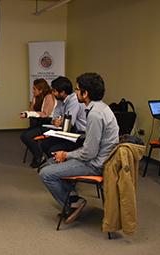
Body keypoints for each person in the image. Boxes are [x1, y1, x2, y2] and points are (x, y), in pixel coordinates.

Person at [39, 72, 119, 224]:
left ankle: (71, 205)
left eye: (77, 90)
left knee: (45, 173)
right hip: (97, 158)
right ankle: (73, 196)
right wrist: (65, 155)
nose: (75, 93)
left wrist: (66, 155)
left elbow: (89, 153)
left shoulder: (95, 114)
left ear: (85, 93)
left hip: (96, 165)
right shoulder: (101, 107)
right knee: (51, 162)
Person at [39, 76, 87, 166]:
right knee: (44, 144)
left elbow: (69, 123)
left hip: (79, 136)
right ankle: (55, 166)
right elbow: (55, 117)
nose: (52, 93)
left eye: (54, 91)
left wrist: (59, 122)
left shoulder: (74, 100)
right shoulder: (60, 100)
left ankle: (61, 169)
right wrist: (54, 122)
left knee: (53, 150)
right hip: (68, 133)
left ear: (62, 92)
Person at [20, 78, 56, 168]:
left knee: (28, 136)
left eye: (34, 89)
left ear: (41, 90)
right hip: (41, 123)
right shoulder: (36, 96)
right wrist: (26, 114)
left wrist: (28, 114)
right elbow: (31, 110)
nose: (32, 90)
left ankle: (39, 158)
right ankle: (38, 156)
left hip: (50, 124)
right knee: (23, 135)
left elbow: (45, 114)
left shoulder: (49, 97)